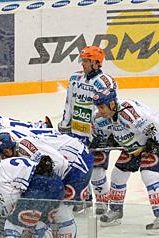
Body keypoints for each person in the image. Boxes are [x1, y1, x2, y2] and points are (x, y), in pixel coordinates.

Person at [93, 88, 159, 234]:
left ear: (112, 103)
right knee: (118, 174)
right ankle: (116, 211)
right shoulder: (100, 119)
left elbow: (158, 127)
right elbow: (102, 136)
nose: (100, 111)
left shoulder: (128, 113)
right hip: (136, 142)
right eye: (98, 107)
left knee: (149, 174)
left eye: (102, 107)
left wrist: (158, 146)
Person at [58, 46, 117, 214]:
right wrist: (64, 125)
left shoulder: (105, 82)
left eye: (85, 61)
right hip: (77, 134)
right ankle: (85, 199)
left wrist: (103, 132)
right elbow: (69, 103)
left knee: (97, 171)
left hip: (98, 135)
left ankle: (103, 204)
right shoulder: (75, 78)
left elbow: (109, 110)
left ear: (96, 63)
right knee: (80, 169)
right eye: (82, 60)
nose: (82, 64)